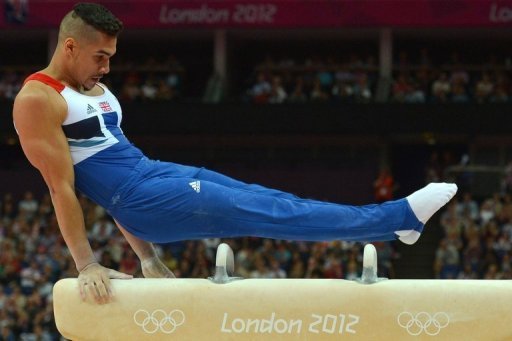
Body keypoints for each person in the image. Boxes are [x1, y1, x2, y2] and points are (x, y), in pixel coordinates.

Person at [12, 3, 458, 305]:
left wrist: (147, 259)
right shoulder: (38, 99)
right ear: (69, 46)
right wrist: (86, 262)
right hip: (144, 197)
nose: (107, 67)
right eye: (100, 57)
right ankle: (398, 218)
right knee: (270, 211)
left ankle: (398, 223)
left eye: (111, 57)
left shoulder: (97, 89)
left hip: (153, 176)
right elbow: (61, 186)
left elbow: (114, 182)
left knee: (272, 199)